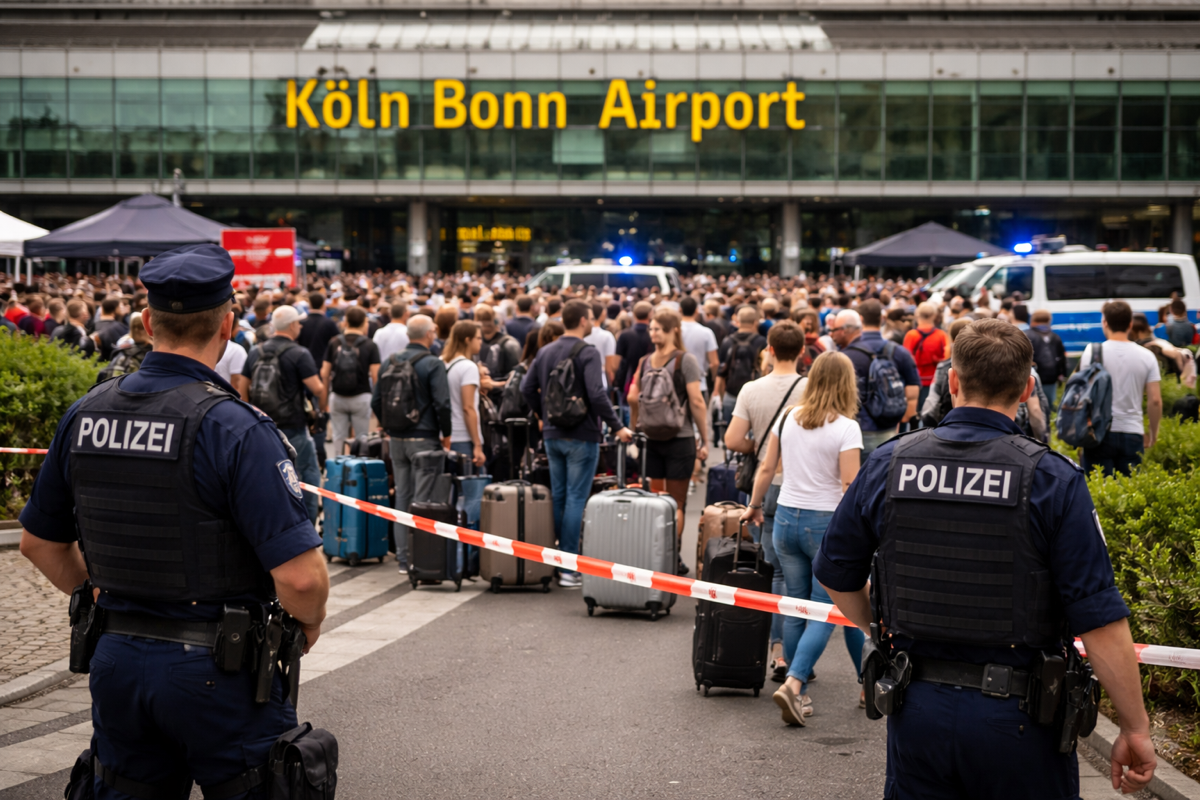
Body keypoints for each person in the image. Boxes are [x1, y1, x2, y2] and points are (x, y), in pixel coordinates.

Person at [18, 243, 329, 799]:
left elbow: (39, 543)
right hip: (220, 670)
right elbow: (301, 578)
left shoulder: (85, 414)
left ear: (146, 322)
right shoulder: (235, 429)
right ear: (228, 325)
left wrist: (97, 592)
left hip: (115, 662)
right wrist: (306, 625)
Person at [814, 319, 1156, 798]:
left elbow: (834, 571)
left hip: (918, 708)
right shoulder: (1052, 480)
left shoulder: (889, 463)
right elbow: (1098, 617)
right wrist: (1136, 728)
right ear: (1026, 388)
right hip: (1019, 720)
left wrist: (878, 625)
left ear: (952, 381)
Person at [741, 350, 864, 725]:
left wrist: (754, 505)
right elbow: (849, 486)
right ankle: (797, 685)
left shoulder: (788, 417)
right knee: (831, 610)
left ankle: (804, 690)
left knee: (795, 606)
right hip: (826, 524)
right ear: (847, 384)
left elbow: (766, 467)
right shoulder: (846, 428)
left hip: (786, 521)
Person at [521, 299, 633, 589]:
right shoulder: (588, 352)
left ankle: (558, 559)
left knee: (559, 496)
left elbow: (526, 387)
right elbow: (597, 395)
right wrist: (618, 426)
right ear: (584, 320)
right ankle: (568, 566)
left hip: (553, 434)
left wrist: (542, 415)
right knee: (575, 499)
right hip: (582, 434)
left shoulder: (545, 350)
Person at [724, 320, 810, 678]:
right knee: (802, 578)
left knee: (773, 571)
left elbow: (731, 439)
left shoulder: (751, 389)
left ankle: (777, 651)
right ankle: (799, 655)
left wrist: (760, 447)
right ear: (803, 351)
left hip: (766, 482)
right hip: (805, 484)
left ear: (769, 349)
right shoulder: (810, 389)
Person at [627, 307, 709, 574]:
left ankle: (654, 553)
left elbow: (632, 398)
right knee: (677, 502)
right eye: (652, 328)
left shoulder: (644, 362)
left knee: (656, 499)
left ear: (671, 329)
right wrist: (704, 438)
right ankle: (672, 555)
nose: (652, 333)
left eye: (656, 328)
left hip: (651, 437)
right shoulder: (685, 360)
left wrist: (634, 427)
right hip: (680, 437)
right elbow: (696, 401)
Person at [372, 314, 452, 574]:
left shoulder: (389, 362)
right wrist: (446, 433)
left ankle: (404, 559)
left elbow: (375, 401)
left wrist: (388, 424)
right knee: (423, 498)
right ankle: (421, 557)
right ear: (429, 334)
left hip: (397, 439)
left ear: (408, 335)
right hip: (425, 438)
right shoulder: (432, 363)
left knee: (403, 498)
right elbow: (442, 403)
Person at [243, 305, 328, 524]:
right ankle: (306, 524)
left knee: (268, 475)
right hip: (293, 425)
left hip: (262, 425)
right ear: (291, 326)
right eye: (298, 323)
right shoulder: (299, 353)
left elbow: (243, 389)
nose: (300, 326)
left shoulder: (255, 351)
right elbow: (317, 388)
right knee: (306, 473)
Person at [1077, 301, 1162, 477]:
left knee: (1100, 492)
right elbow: (1155, 400)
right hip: (1133, 431)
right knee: (1130, 491)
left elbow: (1081, 392)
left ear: (1105, 323)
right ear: (1130, 324)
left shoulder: (1091, 352)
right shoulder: (1147, 356)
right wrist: (1153, 434)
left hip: (1098, 432)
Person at [833, 302, 920, 454]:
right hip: (889, 430)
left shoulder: (847, 355)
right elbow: (912, 392)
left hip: (854, 431)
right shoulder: (899, 352)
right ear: (882, 319)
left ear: (860, 319)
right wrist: (898, 421)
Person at [322, 306, 381, 459]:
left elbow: (325, 373)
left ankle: (338, 472)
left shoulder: (334, 342)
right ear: (364, 323)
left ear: (346, 322)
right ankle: (358, 474)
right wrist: (377, 402)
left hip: (338, 396)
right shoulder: (370, 345)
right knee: (361, 439)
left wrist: (324, 400)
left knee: (339, 437)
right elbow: (376, 376)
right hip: (361, 397)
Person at [443, 320, 488, 468]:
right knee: (472, 487)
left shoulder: (442, 362)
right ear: (468, 340)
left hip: (445, 435)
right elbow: (468, 407)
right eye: (478, 338)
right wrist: (477, 444)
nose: (481, 342)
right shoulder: (468, 367)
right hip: (463, 436)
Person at [713, 305, 767, 428]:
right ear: (755, 322)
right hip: (755, 394)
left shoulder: (728, 341)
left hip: (731, 392)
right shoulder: (761, 341)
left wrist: (719, 395)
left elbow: (721, 372)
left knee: (730, 430)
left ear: (738, 321)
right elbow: (765, 369)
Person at [919, 317, 973, 428]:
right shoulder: (989, 364)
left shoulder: (945, 367)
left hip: (949, 423)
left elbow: (931, 406)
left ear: (952, 340)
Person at [902, 301, 948, 420]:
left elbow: (905, 360)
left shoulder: (911, 335)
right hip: (934, 381)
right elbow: (947, 360)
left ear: (917, 315)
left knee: (913, 416)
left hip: (914, 381)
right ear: (934, 316)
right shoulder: (941, 335)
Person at [476, 304, 522, 404]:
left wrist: (494, 385)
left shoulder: (509, 344)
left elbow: (516, 378)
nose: (485, 325)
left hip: (502, 398)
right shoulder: (475, 343)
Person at [1026, 309, 1068, 408]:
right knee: (1048, 404)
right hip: (1051, 377)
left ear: (1032, 320)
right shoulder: (1055, 337)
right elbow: (1062, 358)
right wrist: (1063, 374)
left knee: (1034, 405)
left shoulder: (1028, 335)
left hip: (1032, 377)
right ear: (1049, 321)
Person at [680, 296, 719, 398]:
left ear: (680, 310)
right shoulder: (706, 332)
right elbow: (714, 362)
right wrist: (713, 379)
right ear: (696, 311)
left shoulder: (674, 331)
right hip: (699, 384)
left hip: (677, 383)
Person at [98, 311, 153, 382]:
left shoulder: (122, 349)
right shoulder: (152, 351)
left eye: (139, 327)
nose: (137, 330)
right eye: (135, 327)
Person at [615, 301, 653, 397]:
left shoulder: (624, 335)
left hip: (627, 382)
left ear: (634, 315)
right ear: (650, 314)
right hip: (651, 381)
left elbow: (616, 362)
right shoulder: (654, 335)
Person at [583, 302, 620, 389]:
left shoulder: (581, 333)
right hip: (601, 380)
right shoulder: (607, 336)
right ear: (603, 314)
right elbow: (609, 366)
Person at [93, 296, 130, 361]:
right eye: (121, 307)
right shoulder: (119, 328)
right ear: (116, 309)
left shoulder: (92, 325)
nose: (123, 309)